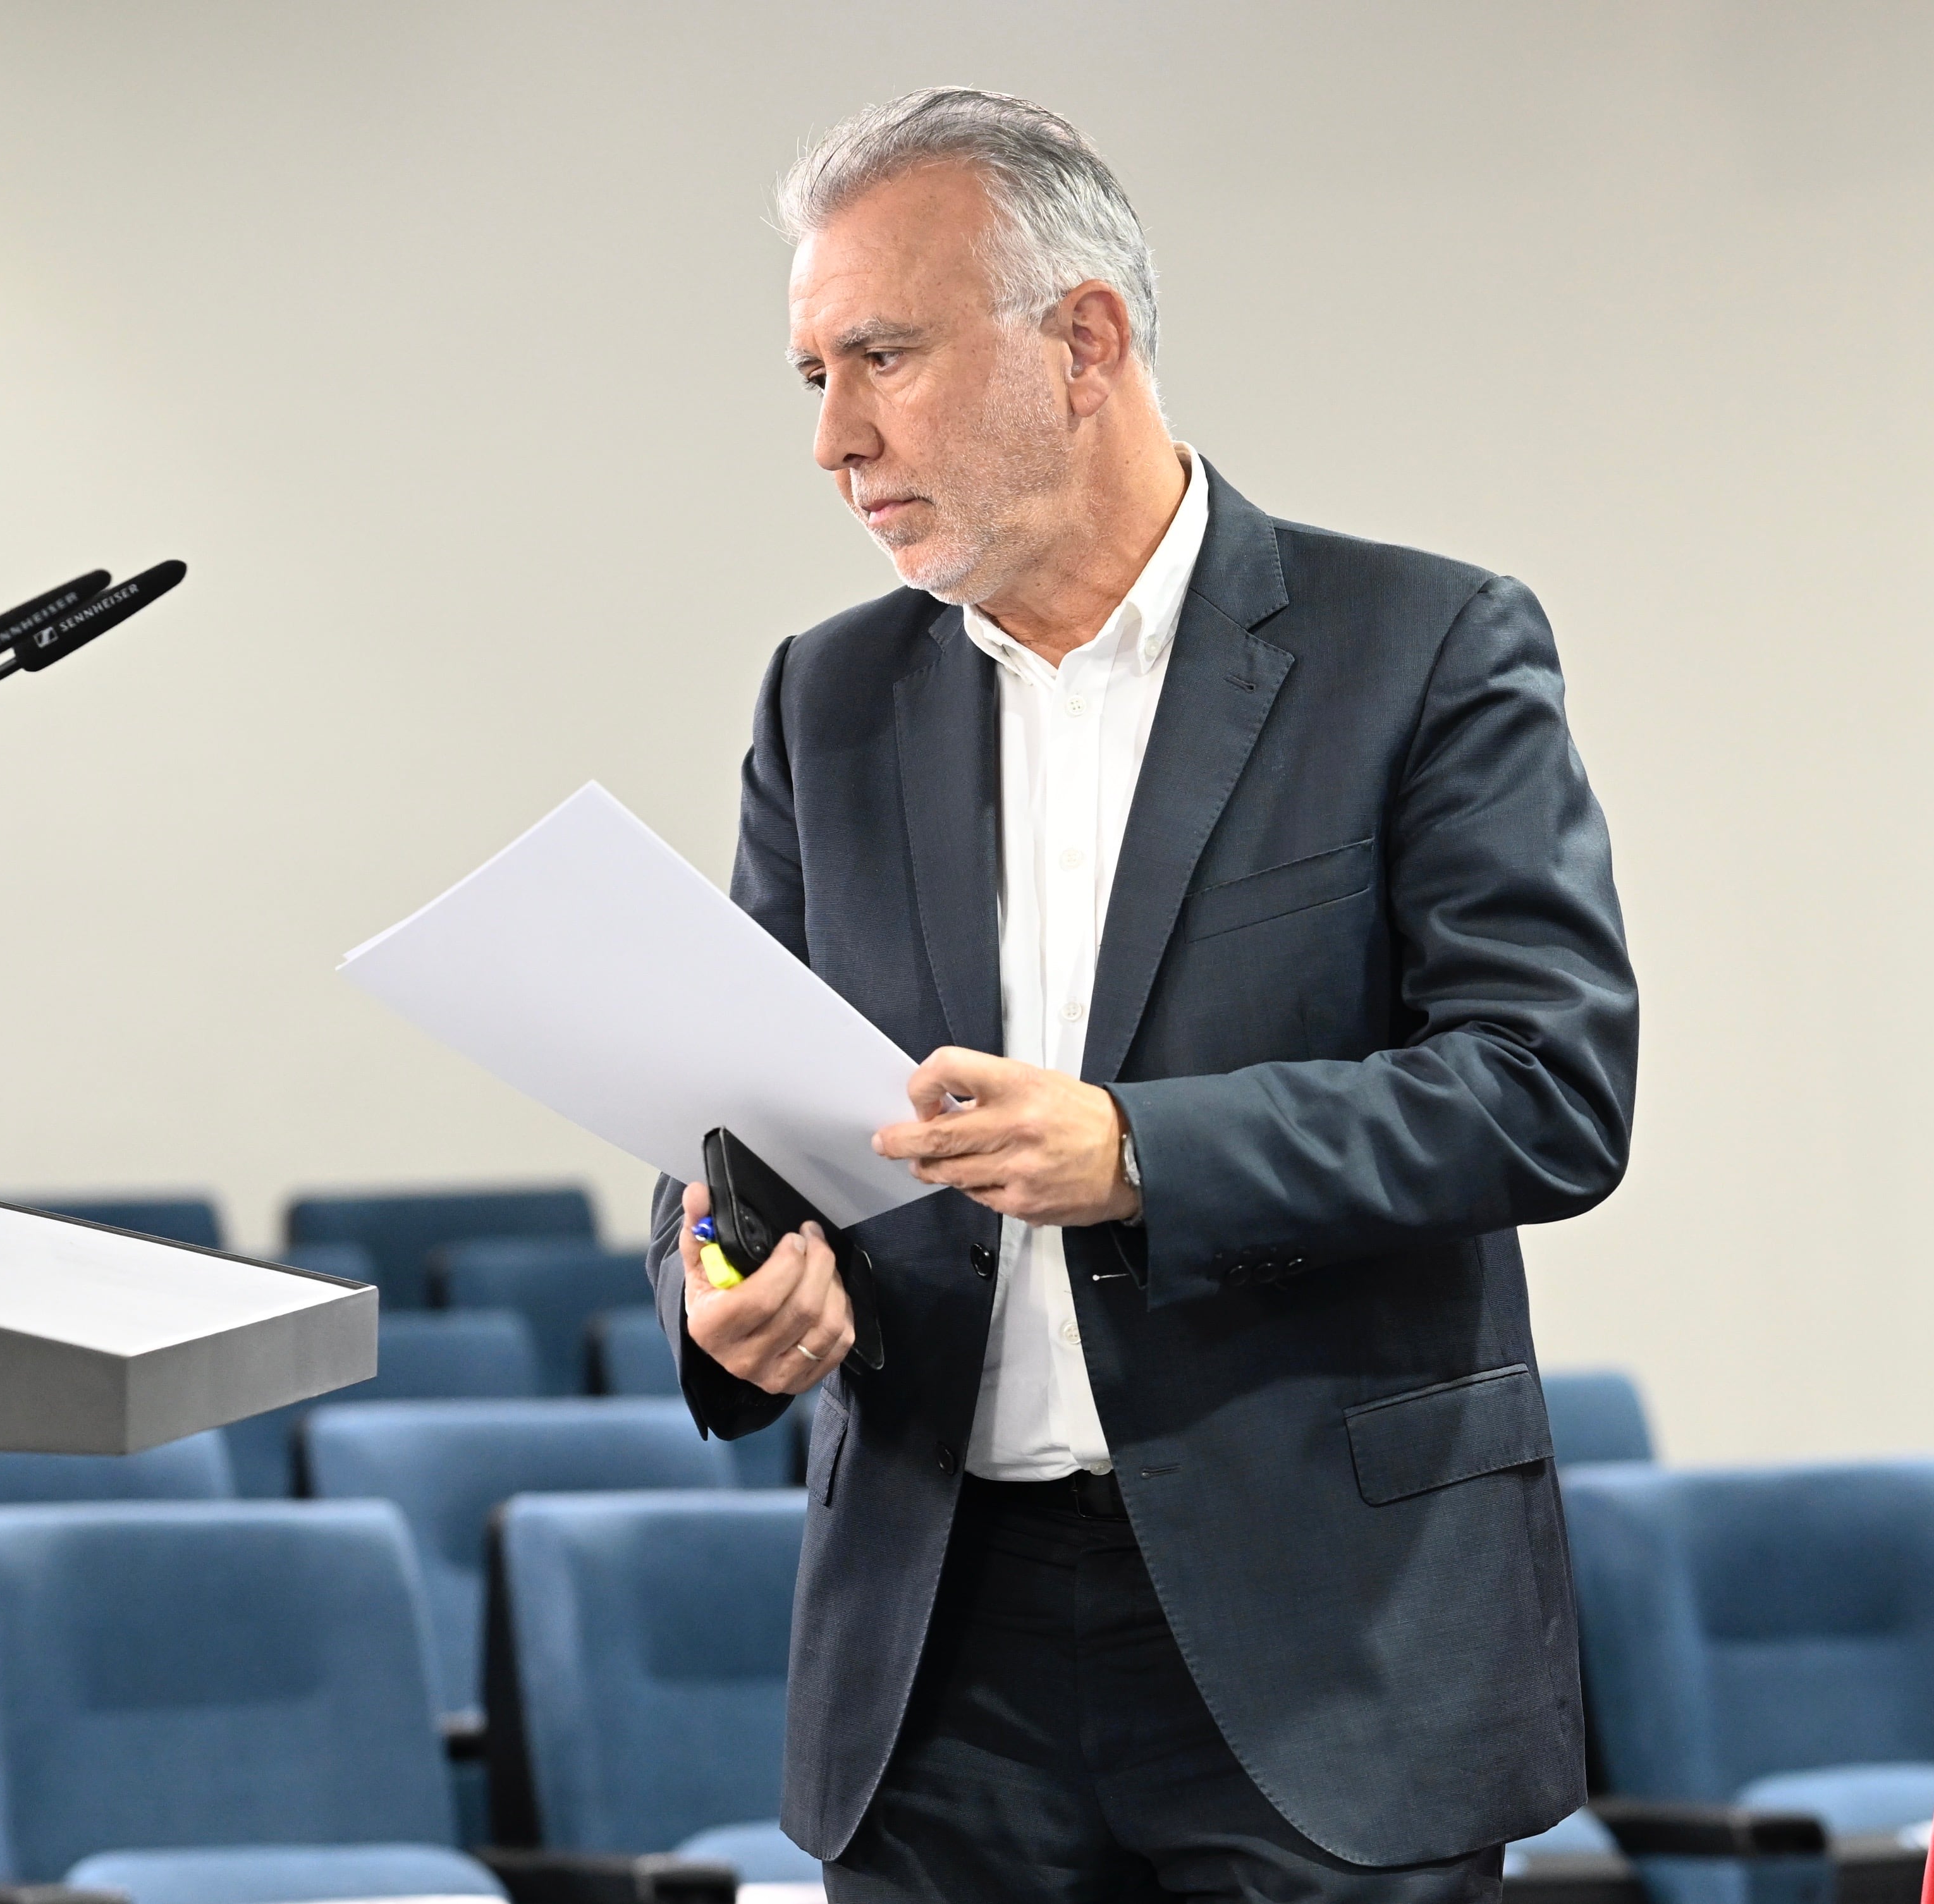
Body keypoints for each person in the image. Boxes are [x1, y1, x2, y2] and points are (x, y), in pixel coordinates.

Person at [651, 87, 1637, 1903]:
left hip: (1325, 1645)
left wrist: (1136, 1149)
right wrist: (718, 1281)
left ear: (1082, 339)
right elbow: (738, 1116)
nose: (837, 438)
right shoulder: (825, 700)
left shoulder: (1417, 647)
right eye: (812, 375)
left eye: (881, 355)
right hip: (939, 1660)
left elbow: (1545, 1084)